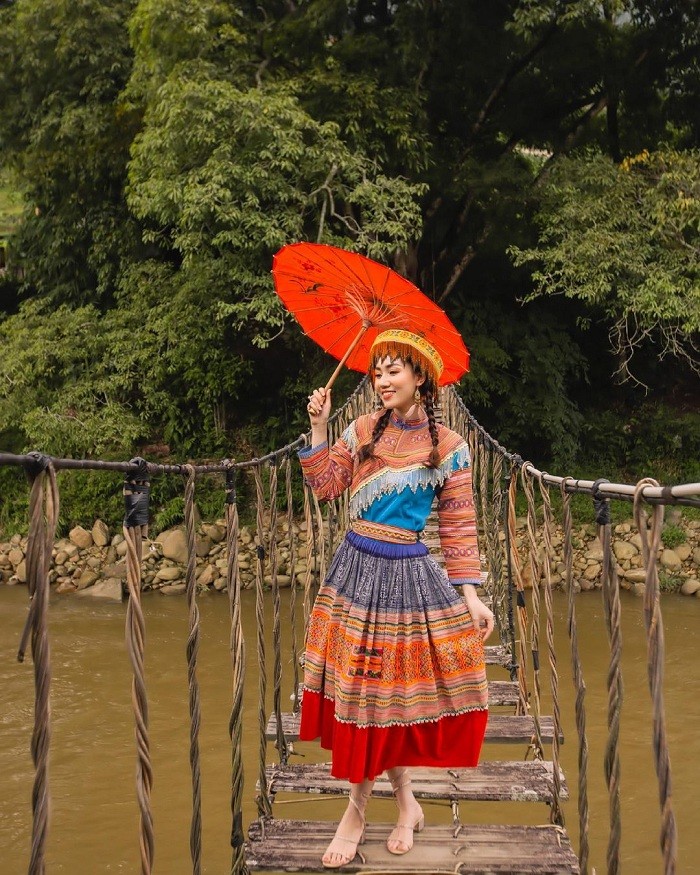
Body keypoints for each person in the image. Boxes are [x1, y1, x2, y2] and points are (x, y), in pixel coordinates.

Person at [298, 328, 494, 869]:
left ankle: (356, 811)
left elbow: (458, 525)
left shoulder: (449, 447)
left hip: (404, 581)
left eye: (393, 370)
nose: (382, 379)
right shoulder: (361, 429)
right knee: (369, 695)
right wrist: (318, 429)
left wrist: (470, 593)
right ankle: (405, 804)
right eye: (377, 369)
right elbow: (325, 486)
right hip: (353, 575)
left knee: (379, 696)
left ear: (420, 377)